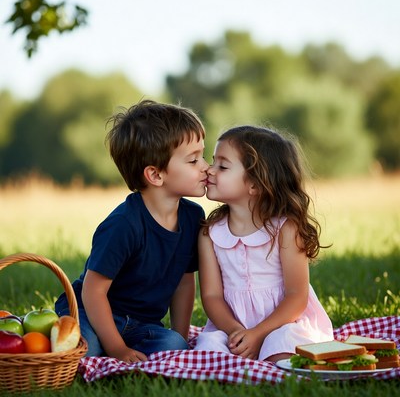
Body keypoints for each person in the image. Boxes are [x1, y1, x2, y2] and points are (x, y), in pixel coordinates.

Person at [55, 99, 208, 363]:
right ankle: (90, 343)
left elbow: (184, 283)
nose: (205, 166)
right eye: (193, 160)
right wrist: (117, 348)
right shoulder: (124, 224)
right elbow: (93, 292)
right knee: (85, 351)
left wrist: (179, 337)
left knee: (173, 346)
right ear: (156, 175)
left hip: (141, 324)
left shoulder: (193, 217)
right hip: (91, 312)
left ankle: (119, 348)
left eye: (202, 156)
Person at [194, 125, 333, 362]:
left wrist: (258, 333)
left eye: (223, 166)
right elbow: (211, 296)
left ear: (255, 184)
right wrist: (235, 332)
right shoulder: (210, 232)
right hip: (231, 324)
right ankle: (234, 370)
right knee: (209, 345)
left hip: (284, 321)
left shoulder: (285, 229)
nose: (210, 170)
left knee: (285, 341)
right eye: (213, 161)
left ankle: (268, 370)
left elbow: (296, 295)